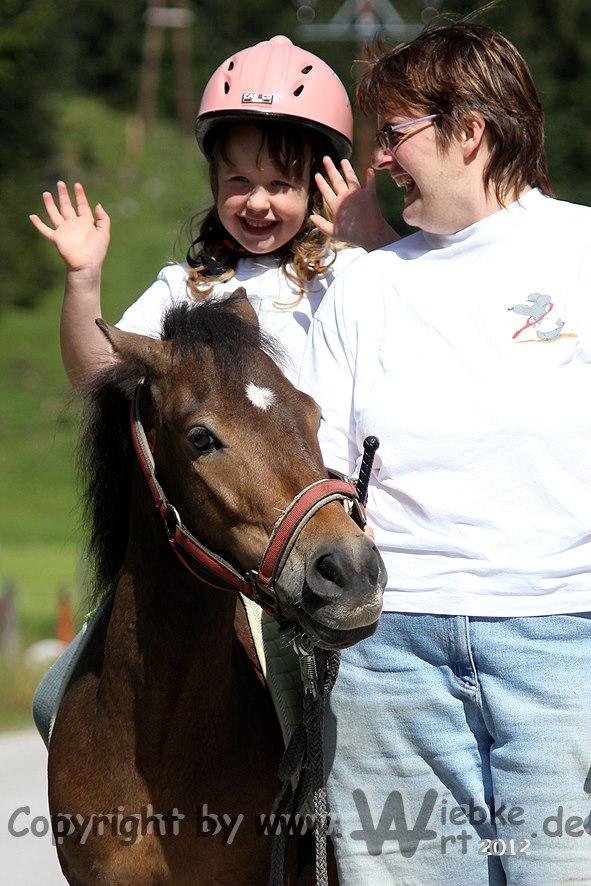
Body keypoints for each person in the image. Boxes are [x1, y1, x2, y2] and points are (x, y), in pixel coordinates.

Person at [298, 21, 591, 886]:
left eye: (392, 134)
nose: (380, 159)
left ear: (468, 129)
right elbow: (320, 468)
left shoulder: (581, 250)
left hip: (561, 641)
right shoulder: (361, 283)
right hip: (388, 656)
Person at [30, 35, 396, 390]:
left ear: (314, 186)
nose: (256, 201)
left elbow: (426, 317)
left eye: (279, 184)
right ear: (215, 180)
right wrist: (83, 276)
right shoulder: (187, 288)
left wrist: (377, 240)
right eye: (239, 179)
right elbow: (96, 375)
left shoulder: (346, 272)